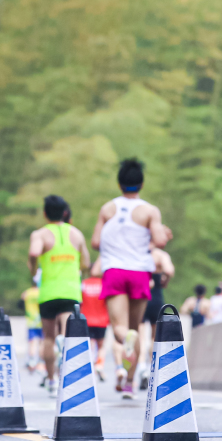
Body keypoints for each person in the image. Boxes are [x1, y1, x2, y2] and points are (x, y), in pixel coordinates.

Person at [91, 158, 172, 398]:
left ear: (119, 184)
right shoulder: (149, 211)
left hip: (114, 271)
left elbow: (95, 242)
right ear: (142, 184)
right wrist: (147, 240)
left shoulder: (107, 209)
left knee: (121, 330)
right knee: (135, 329)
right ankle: (129, 383)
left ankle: (126, 354)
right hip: (139, 273)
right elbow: (160, 241)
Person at [28, 195, 90, 395]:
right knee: (68, 332)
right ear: (65, 213)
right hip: (71, 291)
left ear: (45, 213)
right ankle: (67, 371)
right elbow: (87, 263)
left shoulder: (40, 234)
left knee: (47, 337)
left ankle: (52, 379)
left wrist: (33, 268)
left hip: (48, 292)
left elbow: (33, 253)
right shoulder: (77, 234)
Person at [138, 246, 174, 389]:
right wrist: (165, 280)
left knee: (140, 337)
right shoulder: (160, 255)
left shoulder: (137, 251)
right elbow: (169, 270)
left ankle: (142, 369)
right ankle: (153, 370)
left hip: (140, 297)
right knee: (154, 338)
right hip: (156, 298)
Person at [80, 270, 108, 380]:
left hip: (86, 319)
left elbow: (79, 301)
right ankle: (99, 365)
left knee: (89, 344)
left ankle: (89, 367)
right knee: (101, 345)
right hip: (102, 320)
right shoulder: (104, 284)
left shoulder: (83, 284)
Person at [21, 279, 43, 375]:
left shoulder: (27, 293)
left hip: (31, 321)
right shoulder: (41, 292)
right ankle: (41, 363)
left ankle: (31, 362)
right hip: (41, 321)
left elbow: (21, 301)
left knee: (32, 343)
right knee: (42, 343)